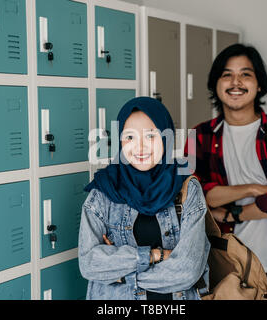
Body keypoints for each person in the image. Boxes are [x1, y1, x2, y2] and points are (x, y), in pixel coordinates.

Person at [184, 43, 267, 300]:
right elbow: (193, 195)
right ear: (215, 84)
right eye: (227, 74)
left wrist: (232, 214)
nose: (235, 82)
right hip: (224, 269)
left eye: (245, 74)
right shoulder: (199, 136)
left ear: (259, 84)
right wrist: (252, 189)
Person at [79, 96, 210, 300]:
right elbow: (89, 264)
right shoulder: (103, 192)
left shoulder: (186, 187)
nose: (140, 147)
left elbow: (187, 270)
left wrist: (121, 273)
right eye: (129, 137)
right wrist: (154, 255)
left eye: (150, 136)